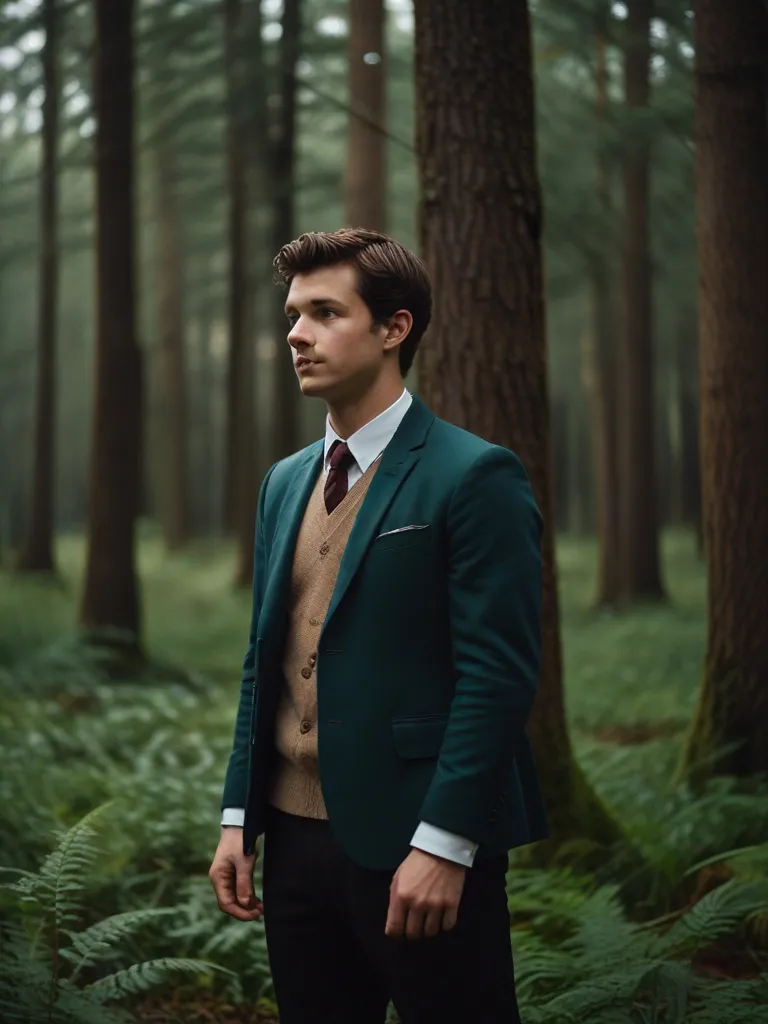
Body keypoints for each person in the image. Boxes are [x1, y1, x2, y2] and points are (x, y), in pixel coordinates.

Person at [208, 228, 548, 1024]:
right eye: (293, 313)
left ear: (395, 328)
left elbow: (498, 677)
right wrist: (238, 817)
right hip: (292, 846)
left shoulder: (474, 475)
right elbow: (266, 658)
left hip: (417, 841)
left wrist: (446, 843)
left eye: (325, 312)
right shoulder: (283, 482)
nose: (297, 332)